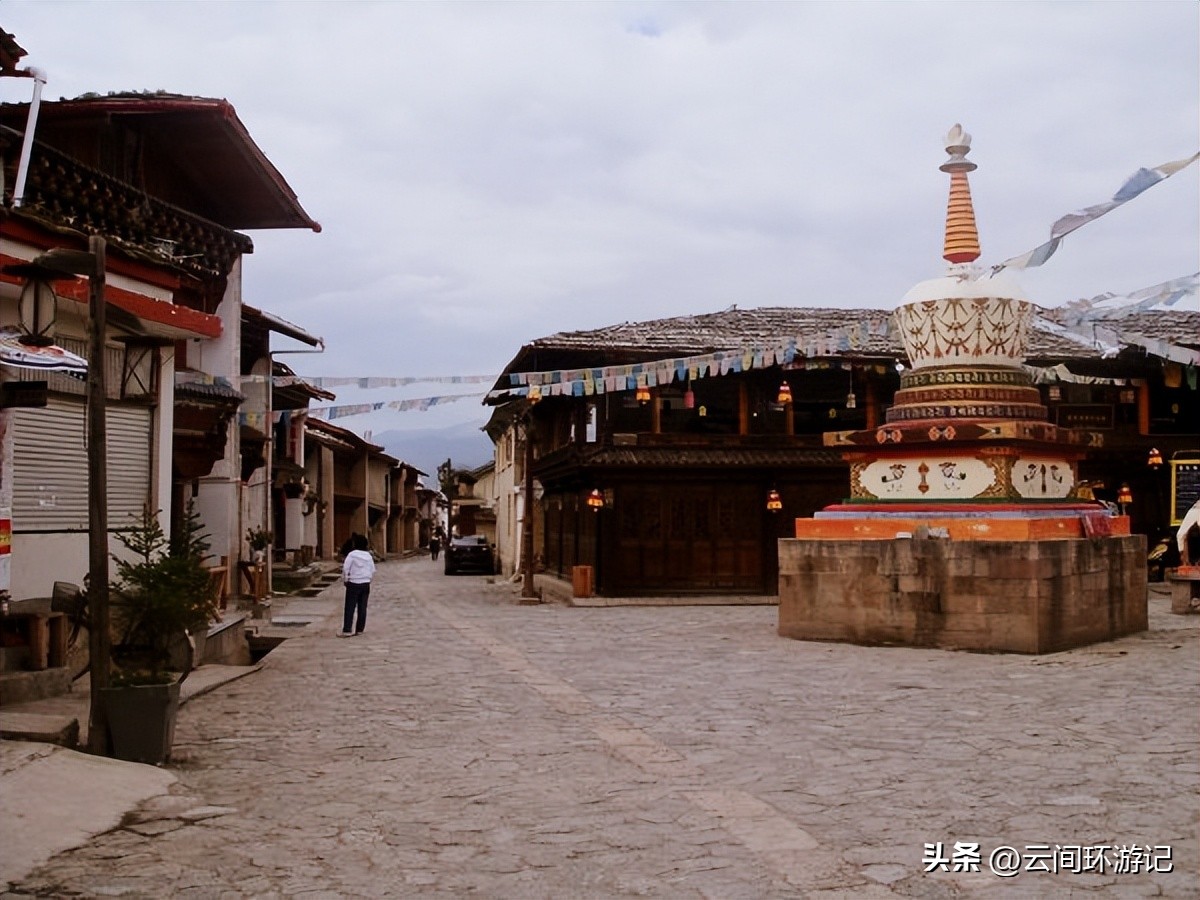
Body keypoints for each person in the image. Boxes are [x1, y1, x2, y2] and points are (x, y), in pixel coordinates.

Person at [340, 533, 375, 636]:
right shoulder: (368, 555)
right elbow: (372, 570)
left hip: (354, 582)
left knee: (350, 606)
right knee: (362, 607)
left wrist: (346, 579)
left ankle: (347, 629)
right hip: (365, 583)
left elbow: (346, 568)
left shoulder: (352, 554)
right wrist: (368, 578)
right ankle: (360, 629)